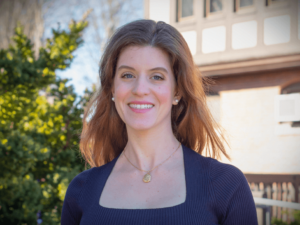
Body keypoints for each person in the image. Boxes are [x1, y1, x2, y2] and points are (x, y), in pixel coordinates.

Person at [61, 19, 258, 225]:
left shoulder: (226, 185)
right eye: (128, 75)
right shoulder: (82, 190)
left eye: (157, 77)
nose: (140, 89)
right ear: (112, 88)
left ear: (178, 91)